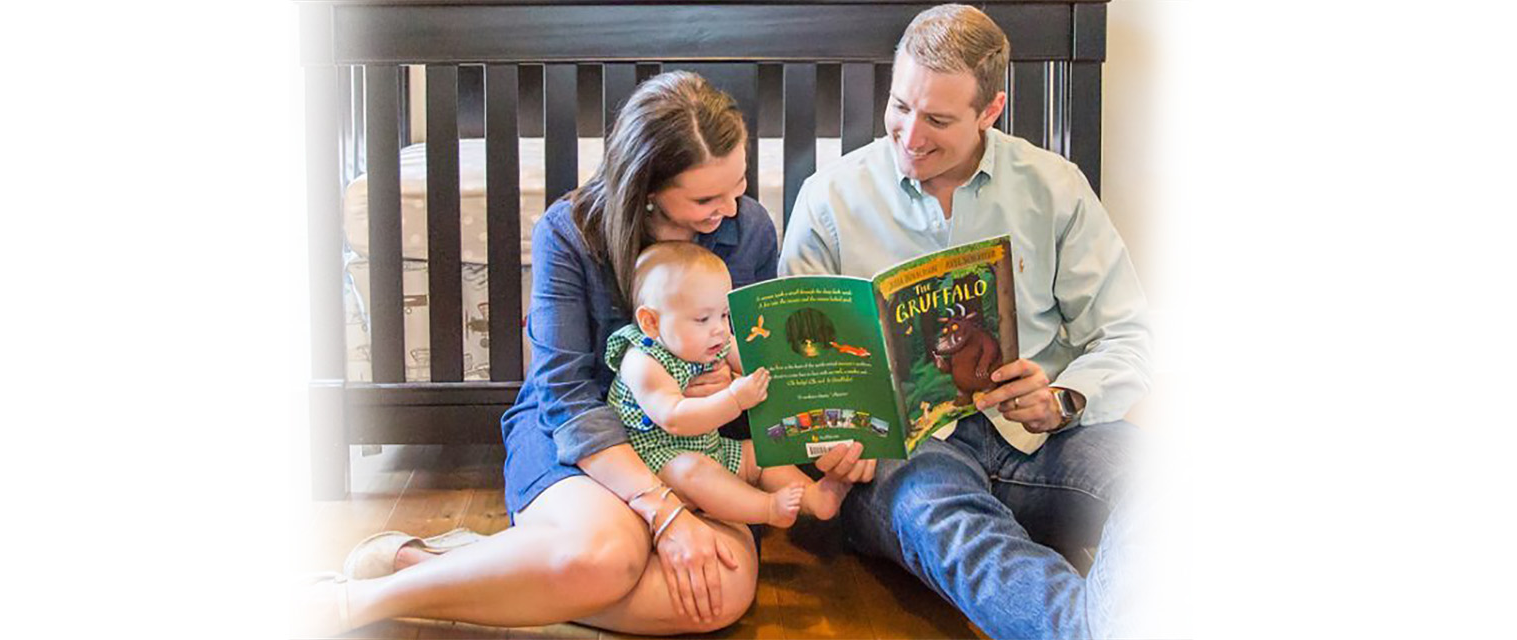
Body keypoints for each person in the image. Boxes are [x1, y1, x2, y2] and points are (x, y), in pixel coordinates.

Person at [301, 71, 876, 636]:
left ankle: (474, 568)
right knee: (609, 557)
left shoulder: (746, 230)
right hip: (580, 438)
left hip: (696, 445)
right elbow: (564, 391)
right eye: (705, 196)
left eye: (738, 185)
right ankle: (361, 598)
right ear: (648, 187)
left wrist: (762, 401)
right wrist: (662, 510)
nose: (728, 208)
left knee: (717, 595)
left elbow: (754, 358)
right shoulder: (570, 232)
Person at [778, 4, 1151, 638]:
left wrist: (1064, 398)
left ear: (990, 111)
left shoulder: (1054, 187)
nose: (911, 135)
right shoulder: (830, 199)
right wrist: (831, 440)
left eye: (939, 119)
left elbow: (1127, 334)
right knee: (944, 522)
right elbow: (799, 371)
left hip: (1047, 444)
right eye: (900, 106)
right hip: (910, 459)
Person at [605, 241, 850, 528]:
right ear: (651, 323)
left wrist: (798, 369)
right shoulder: (642, 361)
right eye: (702, 318)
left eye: (724, 314)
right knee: (694, 470)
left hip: (712, 448)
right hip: (658, 463)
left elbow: (755, 362)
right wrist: (735, 399)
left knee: (759, 455)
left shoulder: (712, 340)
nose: (720, 328)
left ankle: (813, 498)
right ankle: (768, 508)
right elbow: (674, 418)